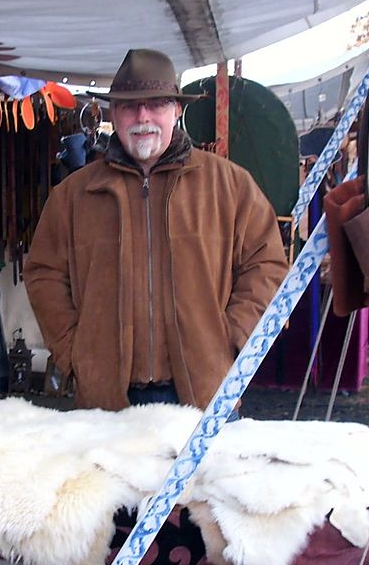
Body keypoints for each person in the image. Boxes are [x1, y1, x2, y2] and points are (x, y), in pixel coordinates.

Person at [24, 48, 289, 411]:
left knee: (207, 472)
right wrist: (74, 351)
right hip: (106, 398)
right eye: (130, 106)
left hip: (203, 392)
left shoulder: (228, 185)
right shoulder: (73, 196)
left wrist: (232, 337)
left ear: (176, 110)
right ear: (114, 113)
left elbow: (268, 263)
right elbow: (44, 274)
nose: (143, 116)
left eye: (157, 104)